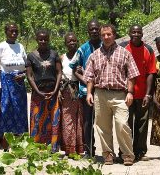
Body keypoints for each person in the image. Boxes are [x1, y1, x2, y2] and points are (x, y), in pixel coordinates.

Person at [84, 24, 139, 166]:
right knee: (102, 127)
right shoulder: (95, 55)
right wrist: (89, 93)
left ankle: (127, 154)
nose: (106, 37)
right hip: (100, 93)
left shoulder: (124, 53)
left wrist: (130, 92)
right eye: (103, 35)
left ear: (114, 35)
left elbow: (132, 75)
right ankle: (108, 154)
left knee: (122, 124)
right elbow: (90, 76)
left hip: (120, 94)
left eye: (109, 34)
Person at [0, 23, 28, 149]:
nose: (14, 34)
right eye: (11, 31)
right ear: (6, 32)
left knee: (19, 112)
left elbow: (27, 65)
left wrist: (23, 75)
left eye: (16, 31)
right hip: (5, 82)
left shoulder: (20, 46)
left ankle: (18, 144)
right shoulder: (0, 47)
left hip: (19, 84)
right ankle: (1, 143)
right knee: (4, 111)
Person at [124, 24, 157, 161]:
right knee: (125, 123)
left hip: (143, 94)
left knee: (142, 124)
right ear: (129, 33)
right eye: (133, 32)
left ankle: (140, 151)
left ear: (142, 34)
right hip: (126, 93)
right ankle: (125, 151)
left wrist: (148, 94)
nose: (136, 34)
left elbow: (151, 73)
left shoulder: (148, 50)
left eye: (138, 32)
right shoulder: (123, 49)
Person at [69, 19, 101, 158]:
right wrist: (87, 81)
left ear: (100, 29)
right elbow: (74, 68)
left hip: (103, 91)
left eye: (96, 29)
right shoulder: (82, 49)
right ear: (88, 31)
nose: (94, 31)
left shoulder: (106, 46)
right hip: (85, 92)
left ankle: (108, 151)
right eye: (91, 29)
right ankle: (89, 149)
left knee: (104, 122)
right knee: (87, 122)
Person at [26, 29, 62, 153]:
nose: (43, 41)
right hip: (38, 93)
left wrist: (55, 90)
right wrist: (37, 91)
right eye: (40, 39)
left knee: (54, 120)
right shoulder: (31, 56)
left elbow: (58, 72)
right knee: (37, 120)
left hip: (53, 92)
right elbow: (29, 75)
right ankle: (36, 148)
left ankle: (52, 148)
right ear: (36, 39)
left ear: (48, 40)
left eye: (45, 39)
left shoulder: (54, 54)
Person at [59, 32, 84, 156]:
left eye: (74, 41)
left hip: (79, 89)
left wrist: (82, 71)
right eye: (69, 41)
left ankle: (78, 148)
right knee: (67, 119)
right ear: (65, 43)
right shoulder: (62, 58)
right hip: (66, 90)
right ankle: (69, 148)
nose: (72, 43)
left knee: (79, 119)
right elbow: (57, 74)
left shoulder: (81, 57)